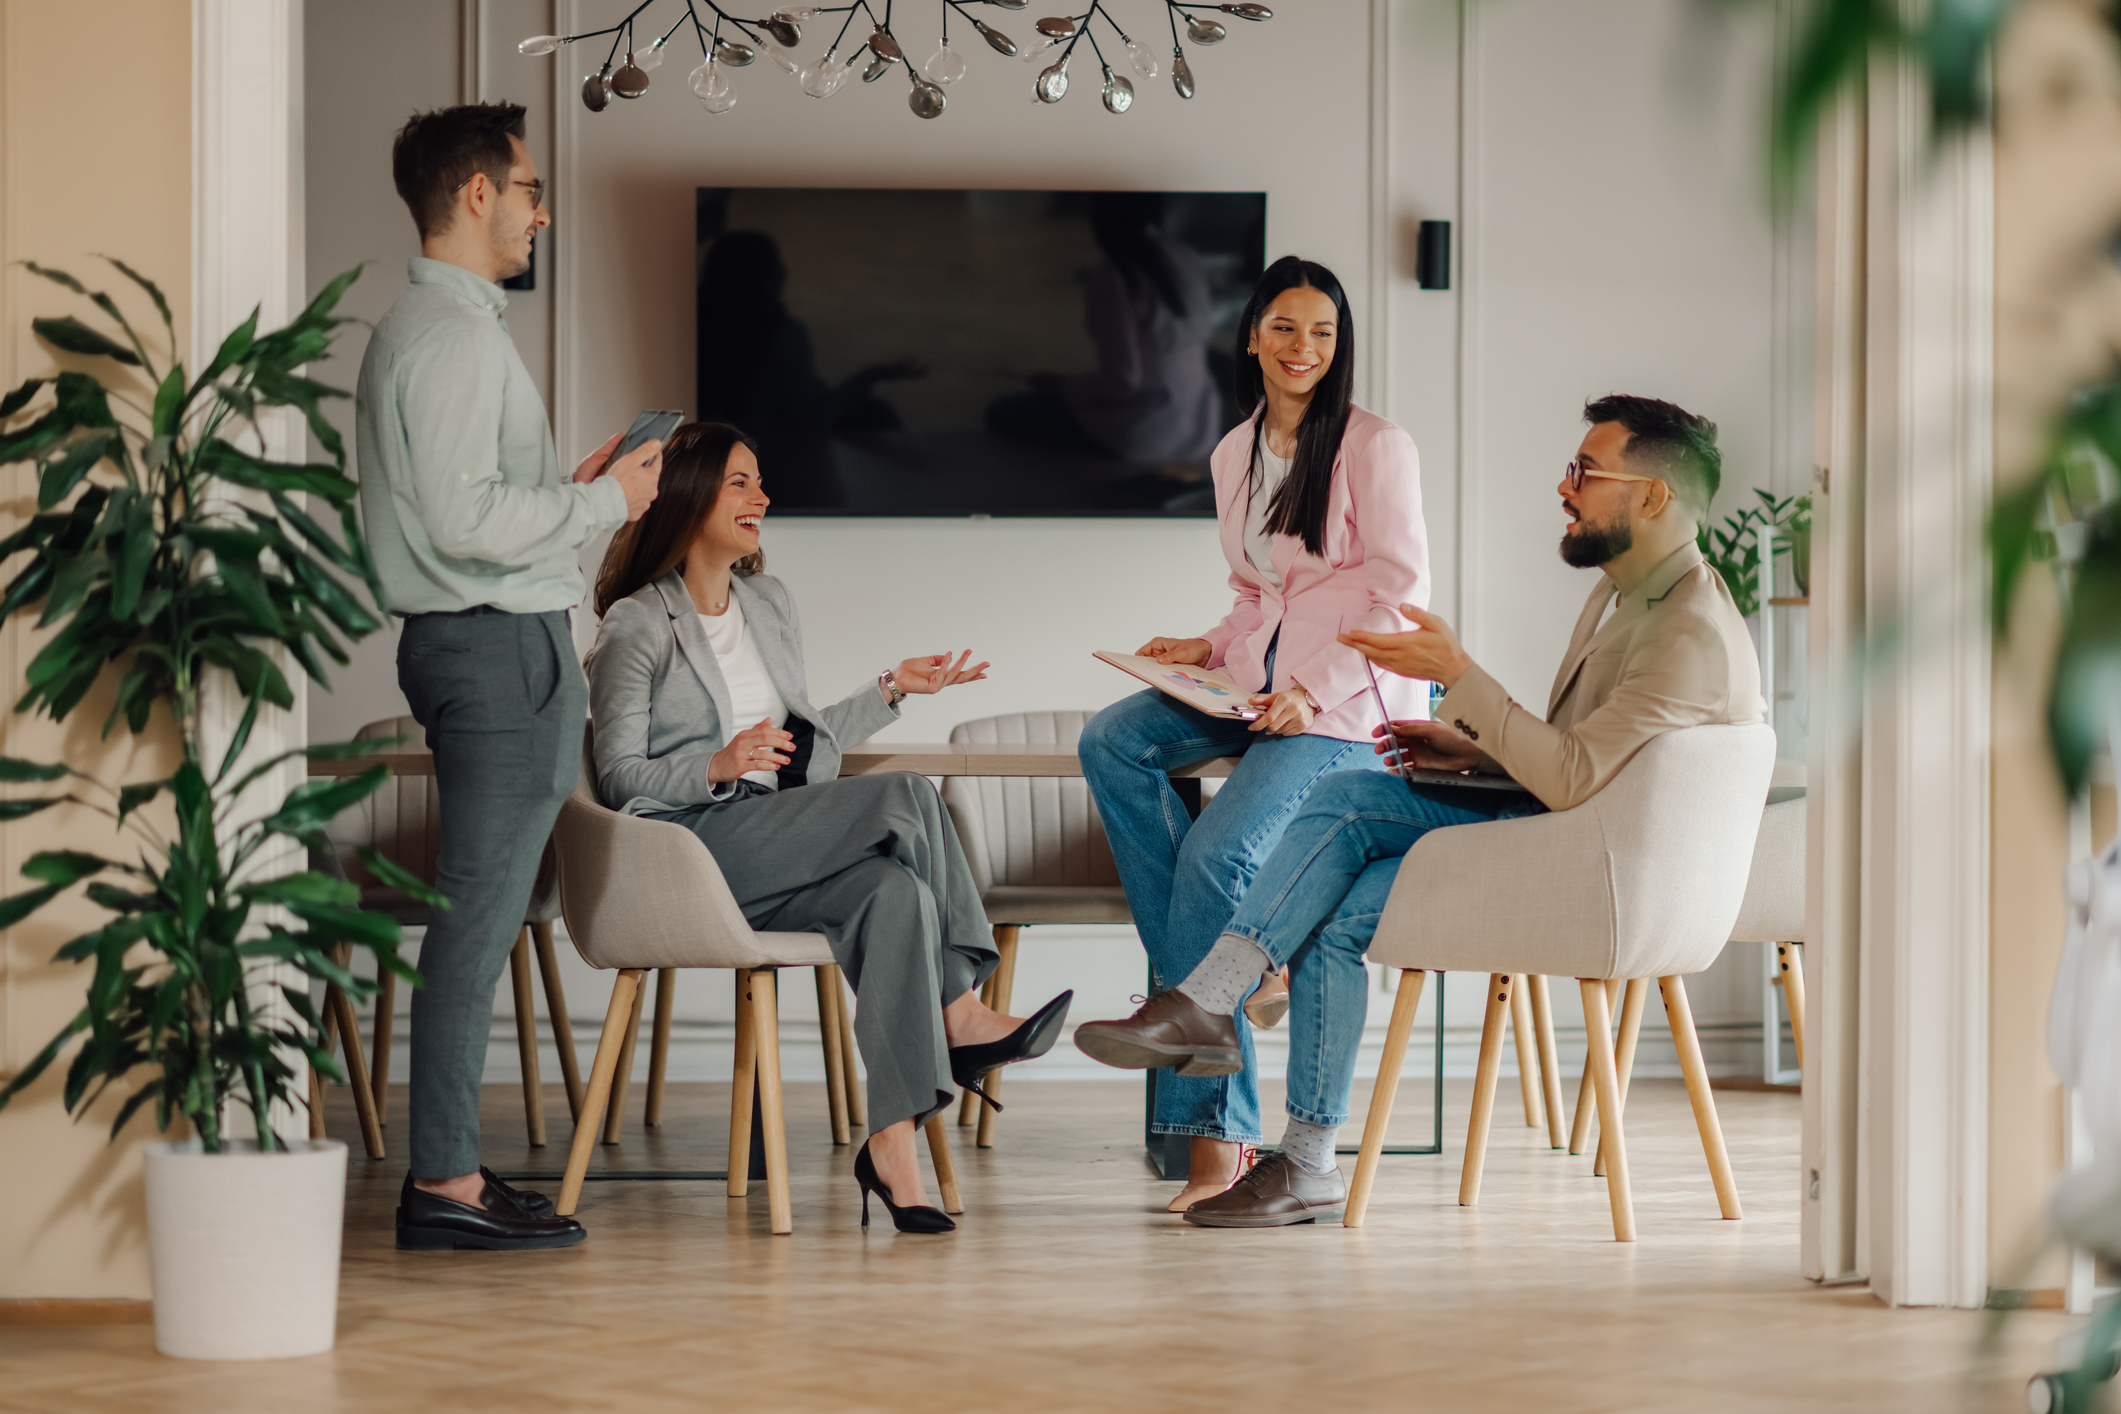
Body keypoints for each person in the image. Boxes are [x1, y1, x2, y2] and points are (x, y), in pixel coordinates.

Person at [1073, 395, 1766, 1228]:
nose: (1562, 486)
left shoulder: (1687, 629)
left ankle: (1214, 1005)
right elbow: (1593, 756)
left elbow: (1577, 778)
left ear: (1651, 496)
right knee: (1341, 849)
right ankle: (1300, 1160)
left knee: (1347, 806)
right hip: (1569, 833)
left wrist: (1461, 674)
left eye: (1585, 471)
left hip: (1590, 873)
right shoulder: (1631, 598)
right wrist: (1470, 747)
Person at [586, 421, 1072, 1234]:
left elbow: (803, 740)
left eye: (759, 481)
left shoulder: (768, 604)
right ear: (688, 494)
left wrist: (891, 688)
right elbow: (618, 778)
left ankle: (891, 1146)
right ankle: (959, 1013)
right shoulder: (638, 623)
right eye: (740, 482)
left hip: (776, 829)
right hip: (690, 851)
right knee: (911, 792)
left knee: (893, 894)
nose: (761, 498)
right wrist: (715, 764)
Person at [359, 104, 666, 1252]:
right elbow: (461, 516)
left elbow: (476, 503)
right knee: (475, 925)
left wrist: (570, 483)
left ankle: (458, 1172)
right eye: (530, 188)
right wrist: (602, 504)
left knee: (482, 923)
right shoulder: (449, 338)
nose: (542, 210)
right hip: (491, 651)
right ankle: (442, 1182)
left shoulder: (451, 332)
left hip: (500, 642)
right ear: (477, 193)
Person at [1074, 256, 1430, 1211]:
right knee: (1111, 740)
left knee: (1213, 857)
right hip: (1252, 686)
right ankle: (1234, 978)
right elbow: (1256, 593)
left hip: (1347, 709)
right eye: (1284, 328)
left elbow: (1398, 601)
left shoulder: (1374, 446)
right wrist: (1206, 643)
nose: (1303, 348)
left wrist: (1311, 692)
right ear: (1250, 336)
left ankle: (1213, 1134)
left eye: (1321, 332)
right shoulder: (1234, 451)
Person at [987, 192, 1222, 464]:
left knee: (1000, 411)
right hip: (1200, 426)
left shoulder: (1112, 274)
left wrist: (1067, 387)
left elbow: (1124, 380)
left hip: (1147, 433)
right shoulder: (1186, 256)